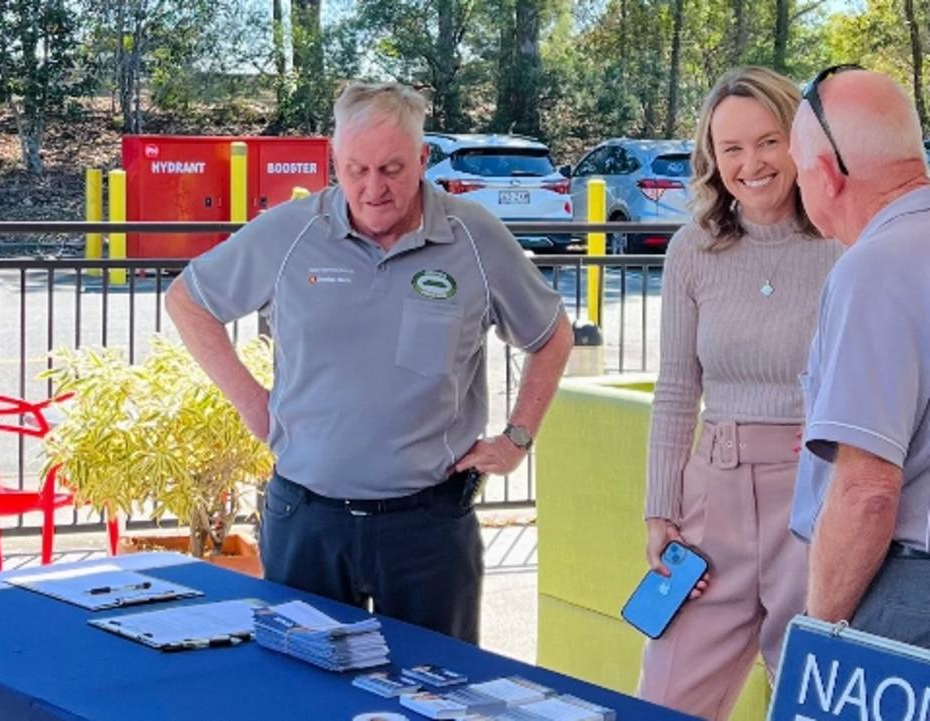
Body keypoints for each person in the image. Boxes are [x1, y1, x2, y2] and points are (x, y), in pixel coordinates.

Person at [164, 81, 573, 643]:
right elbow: (188, 301)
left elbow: (552, 335)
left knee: (437, 695)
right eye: (355, 170)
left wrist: (518, 438)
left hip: (428, 527)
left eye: (392, 169)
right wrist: (253, 405)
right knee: (303, 700)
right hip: (308, 521)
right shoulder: (291, 231)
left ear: (424, 158)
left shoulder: (474, 236)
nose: (372, 188)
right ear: (334, 160)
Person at [638, 67, 843, 720]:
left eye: (767, 141)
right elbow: (676, 389)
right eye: (731, 148)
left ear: (800, 141)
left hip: (814, 502)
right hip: (710, 505)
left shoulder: (846, 244)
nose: (750, 163)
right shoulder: (690, 250)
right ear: (712, 158)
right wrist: (658, 508)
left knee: (808, 698)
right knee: (664, 694)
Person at [789, 66, 930, 647]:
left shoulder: (875, 269)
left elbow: (867, 491)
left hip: (906, 599)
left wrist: (819, 637)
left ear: (824, 174)